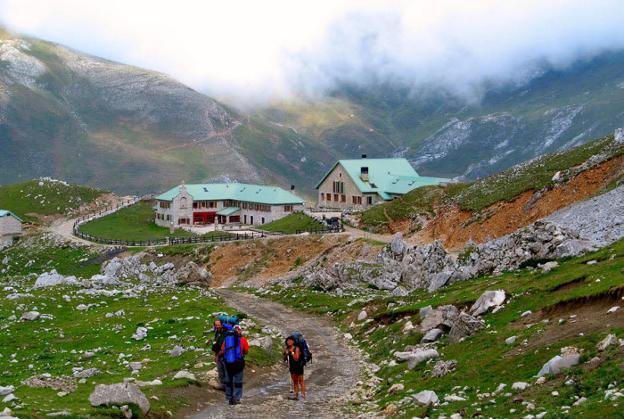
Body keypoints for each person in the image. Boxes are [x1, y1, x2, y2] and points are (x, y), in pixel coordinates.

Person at [220, 324, 249, 405]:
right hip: (239, 362)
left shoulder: (227, 339)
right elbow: (246, 351)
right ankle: (237, 398)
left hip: (227, 362)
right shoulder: (243, 339)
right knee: (238, 380)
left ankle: (229, 398)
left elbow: (222, 349)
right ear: (239, 331)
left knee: (228, 379)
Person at [209, 319, 226, 391]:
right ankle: (223, 385)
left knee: (226, 370)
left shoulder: (225, 332)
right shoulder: (217, 332)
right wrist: (215, 355)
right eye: (216, 325)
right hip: (218, 354)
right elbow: (216, 343)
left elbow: (225, 342)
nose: (217, 326)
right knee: (220, 370)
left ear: (222, 324)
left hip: (225, 354)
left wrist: (222, 351)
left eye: (218, 325)